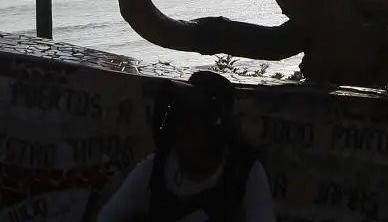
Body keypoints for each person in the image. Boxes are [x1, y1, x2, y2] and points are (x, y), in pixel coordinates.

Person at [95, 70, 276, 222]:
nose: (182, 129)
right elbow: (107, 216)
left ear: (216, 128)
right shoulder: (156, 168)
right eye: (181, 118)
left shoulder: (245, 174)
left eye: (194, 121)